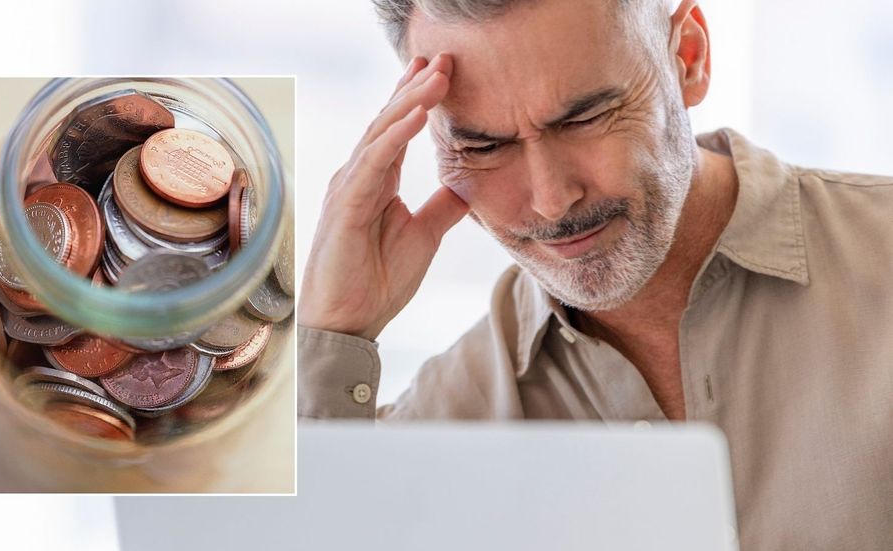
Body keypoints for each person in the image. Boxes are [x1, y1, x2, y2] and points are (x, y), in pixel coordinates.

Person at [297, 0, 893, 548]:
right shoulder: (453, 413)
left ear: (687, 58)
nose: (552, 200)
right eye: (482, 147)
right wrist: (337, 328)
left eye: (585, 117)